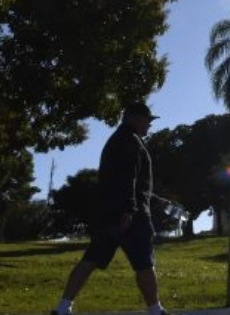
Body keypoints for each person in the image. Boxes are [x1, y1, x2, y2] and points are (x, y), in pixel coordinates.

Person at [51, 102, 170, 315]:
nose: (149, 125)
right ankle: (156, 310)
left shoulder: (116, 141)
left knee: (90, 260)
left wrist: (151, 198)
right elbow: (128, 178)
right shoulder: (130, 142)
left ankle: (62, 308)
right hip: (131, 216)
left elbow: (120, 181)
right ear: (134, 118)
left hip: (109, 214)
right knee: (144, 262)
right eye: (147, 120)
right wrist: (131, 209)